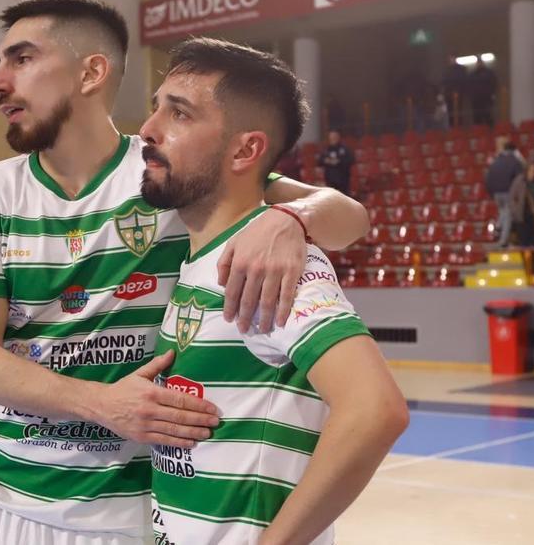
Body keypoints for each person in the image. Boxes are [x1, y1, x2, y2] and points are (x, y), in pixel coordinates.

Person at [0, 0, 368, 543]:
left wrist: (290, 220)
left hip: (119, 512)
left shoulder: (168, 173)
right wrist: (102, 403)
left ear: (91, 72)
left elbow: (349, 216)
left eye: (21, 59)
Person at [138, 37, 410, 544]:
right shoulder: (201, 257)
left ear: (246, 150)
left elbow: (376, 410)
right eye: (156, 109)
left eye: (178, 115)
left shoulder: (272, 262)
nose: (147, 130)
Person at [486, 142, 524, 246]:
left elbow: (488, 178)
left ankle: (498, 226)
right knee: (507, 215)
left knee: (503, 211)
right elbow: (520, 178)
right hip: (508, 192)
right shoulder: (515, 161)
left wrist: (491, 193)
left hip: (496, 193)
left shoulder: (496, 161)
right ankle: (503, 240)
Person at [317, 129, 354, 195]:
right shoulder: (326, 149)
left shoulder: (344, 149)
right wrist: (326, 161)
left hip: (343, 179)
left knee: (344, 198)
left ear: (338, 137)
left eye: (335, 136)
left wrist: (338, 161)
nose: (333, 138)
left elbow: (350, 160)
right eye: (331, 137)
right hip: (330, 179)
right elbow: (320, 161)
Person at [469, 58, 499, 126]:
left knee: (488, 117)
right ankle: (478, 133)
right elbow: (469, 86)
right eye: (478, 63)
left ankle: (490, 133)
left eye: (480, 62)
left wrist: (492, 94)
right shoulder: (473, 75)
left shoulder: (489, 73)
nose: (479, 64)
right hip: (476, 100)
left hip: (486, 99)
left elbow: (494, 84)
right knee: (477, 119)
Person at [442, 55, 469, 126]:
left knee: (458, 113)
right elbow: (444, 82)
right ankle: (453, 129)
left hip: (458, 95)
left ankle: (459, 128)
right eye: (450, 58)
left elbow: (463, 82)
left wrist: (459, 92)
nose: (451, 60)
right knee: (451, 114)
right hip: (449, 96)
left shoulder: (460, 70)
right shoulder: (447, 70)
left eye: (452, 58)